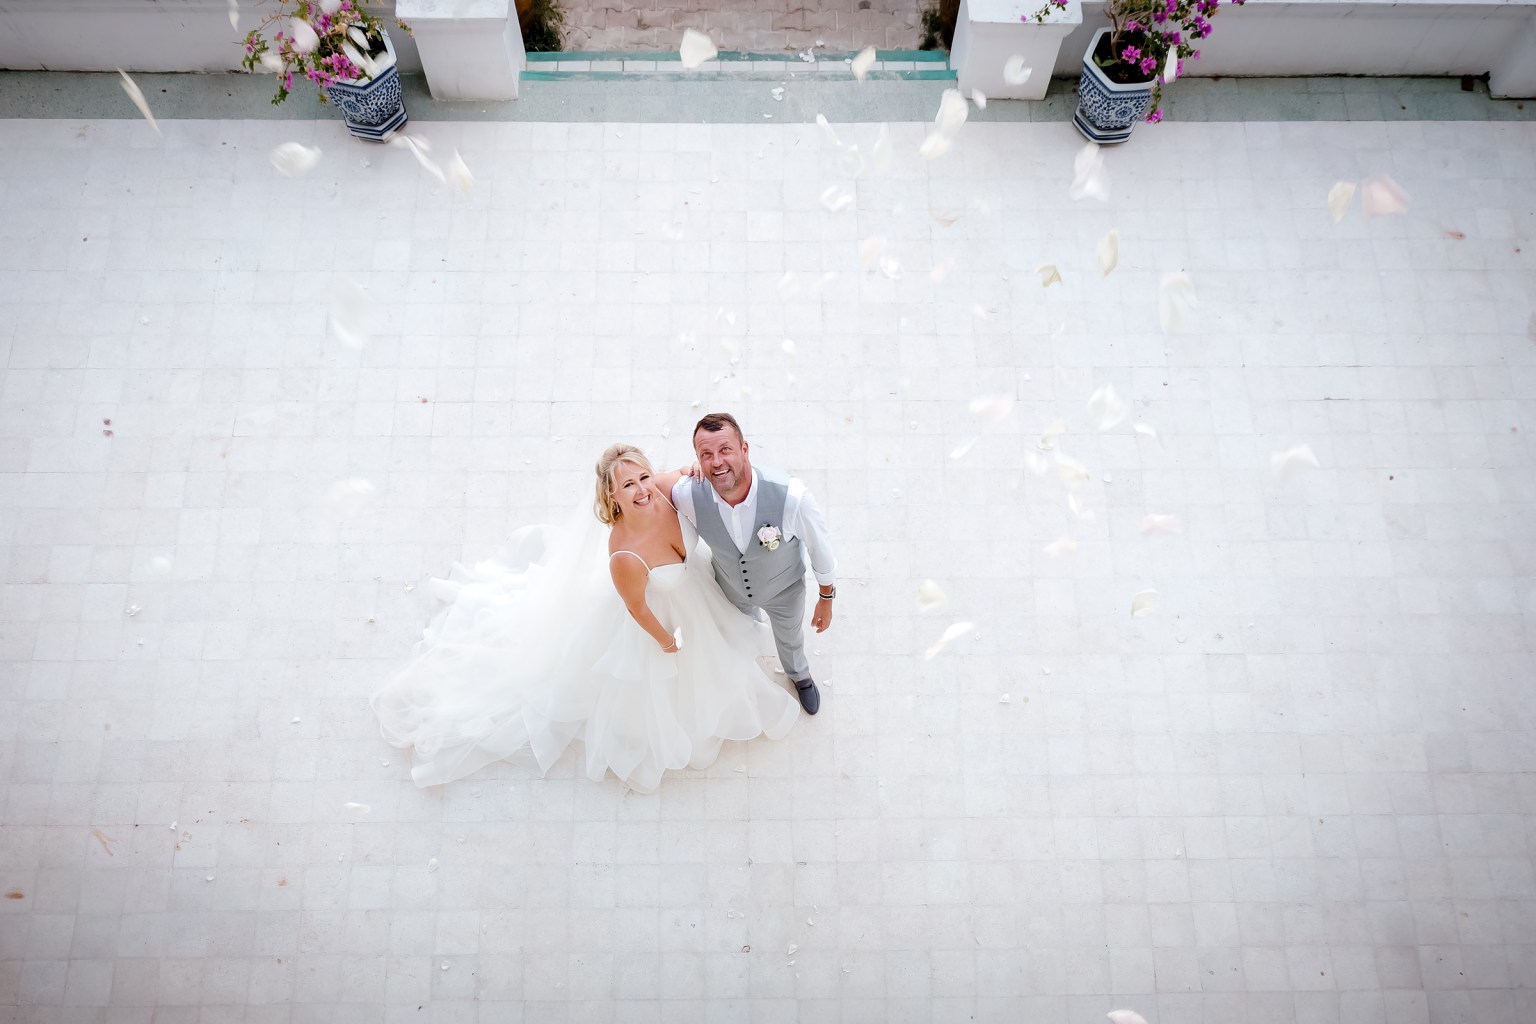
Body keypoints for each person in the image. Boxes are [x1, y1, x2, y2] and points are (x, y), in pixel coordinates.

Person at [370, 443, 800, 793]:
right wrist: (666, 641)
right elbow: (637, 609)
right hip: (664, 615)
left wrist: (694, 469)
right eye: (627, 485)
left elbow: (689, 479)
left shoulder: (667, 489)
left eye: (643, 477)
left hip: (698, 592)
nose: (641, 490)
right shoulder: (625, 555)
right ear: (612, 495)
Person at [671, 413, 837, 715]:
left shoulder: (791, 497)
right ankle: (745, 678)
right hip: (730, 590)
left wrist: (825, 598)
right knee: (739, 633)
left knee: (789, 638)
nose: (717, 462)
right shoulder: (688, 494)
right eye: (705, 454)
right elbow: (648, 490)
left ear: (744, 449)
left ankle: (799, 676)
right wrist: (681, 472)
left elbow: (820, 550)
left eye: (725, 450)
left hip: (784, 592)